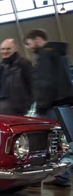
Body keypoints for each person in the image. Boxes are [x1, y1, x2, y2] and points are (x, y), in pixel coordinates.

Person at [25, 29, 73, 187]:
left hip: (50, 107)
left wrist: (41, 105)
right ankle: (62, 175)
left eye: (29, 43)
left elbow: (44, 83)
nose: (29, 47)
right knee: (62, 143)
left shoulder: (45, 55)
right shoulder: (60, 54)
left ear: (38, 39)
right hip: (63, 105)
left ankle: (41, 176)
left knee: (46, 143)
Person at [0, 38, 33, 116]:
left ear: (15, 49)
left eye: (8, 49)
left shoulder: (24, 64)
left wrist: (25, 106)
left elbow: (32, 86)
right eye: (2, 49)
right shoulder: (1, 67)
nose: (5, 51)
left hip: (18, 110)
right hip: (0, 109)